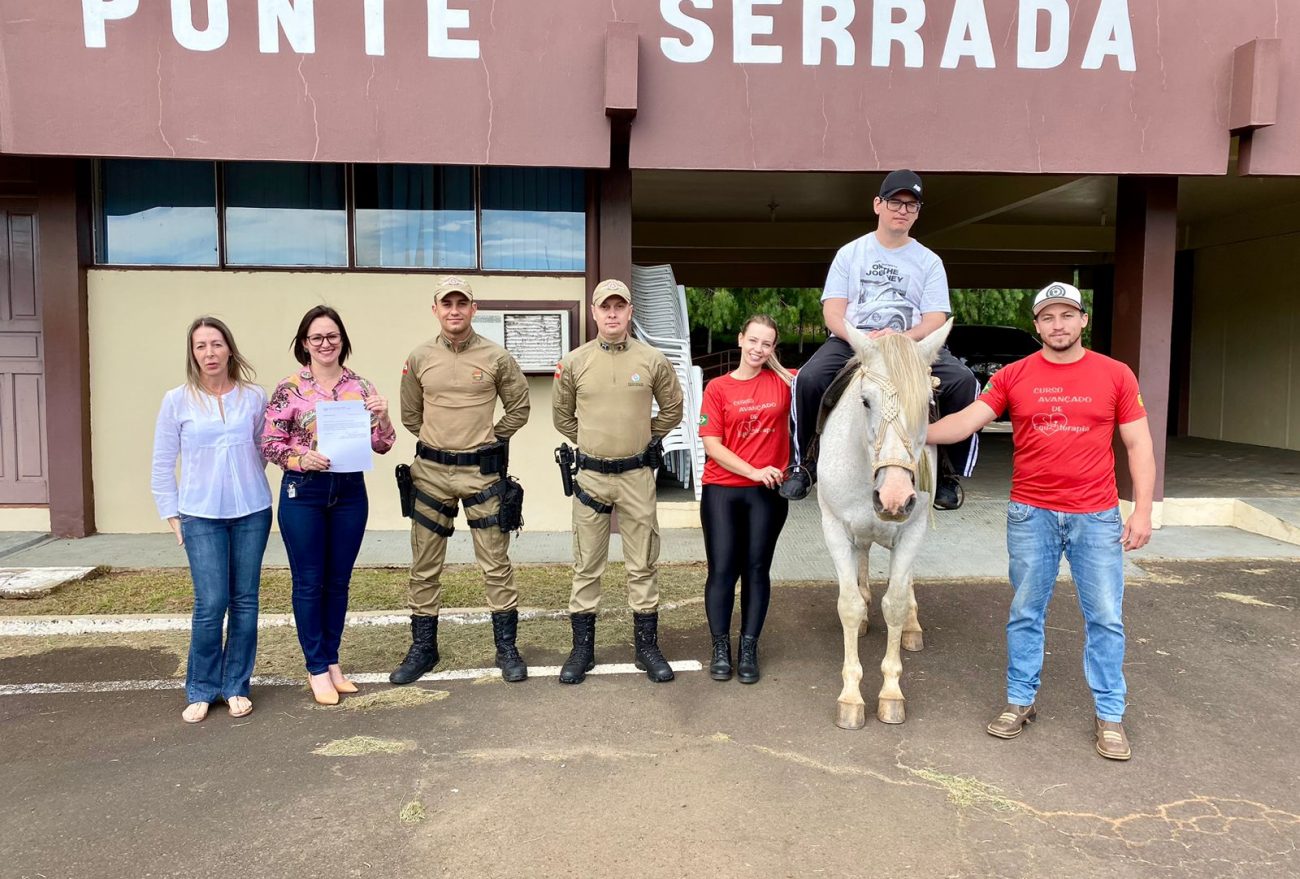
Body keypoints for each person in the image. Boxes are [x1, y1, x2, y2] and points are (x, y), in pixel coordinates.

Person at [927, 282, 1155, 761]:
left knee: (1106, 618)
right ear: (1037, 325)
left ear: (1082, 321)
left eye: (1067, 316)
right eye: (1049, 317)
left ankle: (1110, 714)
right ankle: (1019, 701)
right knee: (1026, 612)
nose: (1058, 325)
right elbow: (966, 421)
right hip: (1031, 513)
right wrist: (909, 435)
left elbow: (1138, 445)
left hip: (1095, 515)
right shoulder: (1013, 375)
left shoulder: (1115, 375)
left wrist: (1143, 509)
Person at [781, 169, 980, 510]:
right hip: (854, 341)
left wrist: (901, 336)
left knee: (964, 381)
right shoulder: (850, 254)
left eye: (911, 205)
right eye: (895, 202)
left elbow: (935, 319)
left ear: (917, 212)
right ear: (878, 205)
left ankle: (949, 472)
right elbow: (833, 313)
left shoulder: (929, 261)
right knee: (809, 380)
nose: (902, 210)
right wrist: (862, 339)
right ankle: (803, 463)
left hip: (911, 346)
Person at [389, 276, 531, 686]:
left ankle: (505, 649)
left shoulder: (497, 357)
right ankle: (424, 649)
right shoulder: (418, 357)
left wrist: (490, 439)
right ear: (435, 309)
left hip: (481, 474)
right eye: (446, 303)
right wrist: (440, 442)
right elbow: (410, 415)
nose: (454, 310)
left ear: (474, 309)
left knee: (495, 564)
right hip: (430, 474)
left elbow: (519, 408)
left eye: (461, 303)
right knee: (424, 565)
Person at [552, 278, 685, 684]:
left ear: (629, 312)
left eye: (619, 307)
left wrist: (643, 438)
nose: (612, 314)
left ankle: (646, 648)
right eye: (605, 307)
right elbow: (562, 416)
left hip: (636, 476)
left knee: (642, 562)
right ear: (593, 312)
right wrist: (593, 441)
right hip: (590, 476)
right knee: (586, 565)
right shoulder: (574, 362)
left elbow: (674, 409)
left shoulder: (652, 360)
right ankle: (582, 651)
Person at [261, 306, 395, 706]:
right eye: (316, 337)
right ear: (304, 343)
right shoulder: (288, 389)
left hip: (350, 492)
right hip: (305, 491)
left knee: (338, 581)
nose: (325, 344)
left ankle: (333, 661)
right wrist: (302, 459)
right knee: (309, 581)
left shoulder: (362, 387)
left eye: (332, 336)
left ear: (343, 340)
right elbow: (269, 443)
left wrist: (384, 418)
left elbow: (383, 445)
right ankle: (316, 666)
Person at [151, 316, 272, 724]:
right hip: (200, 514)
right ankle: (201, 688)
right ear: (192, 353)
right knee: (210, 602)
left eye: (216, 344)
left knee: (245, 600)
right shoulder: (177, 400)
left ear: (229, 349)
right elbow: (162, 463)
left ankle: (236, 685)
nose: (209, 353)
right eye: (201, 346)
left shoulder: (255, 397)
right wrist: (172, 514)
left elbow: (264, 448)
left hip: (252, 510)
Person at [698, 315, 794, 684]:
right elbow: (712, 445)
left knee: (756, 570)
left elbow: (822, 381)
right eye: (753, 340)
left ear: (773, 349)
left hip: (767, 495)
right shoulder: (718, 388)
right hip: (723, 490)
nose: (757, 349)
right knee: (722, 569)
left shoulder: (785, 383)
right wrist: (752, 470)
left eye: (766, 344)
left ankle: (749, 647)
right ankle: (720, 647)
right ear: (740, 340)